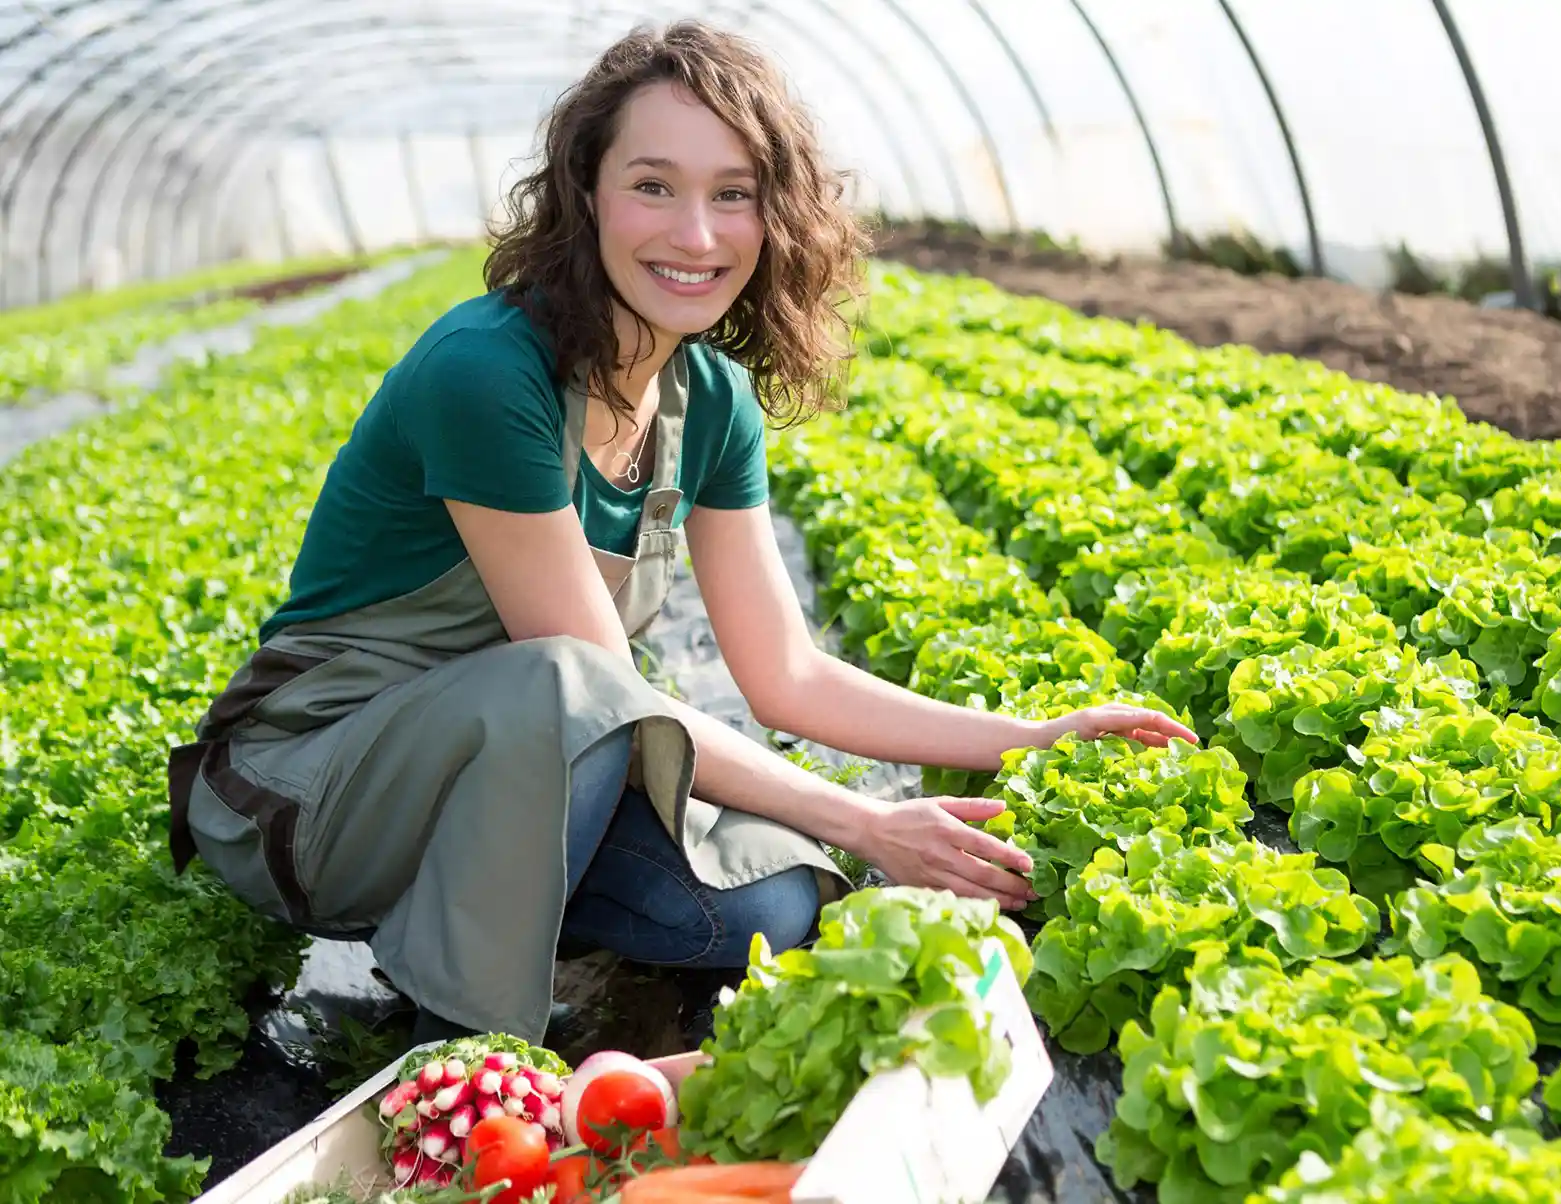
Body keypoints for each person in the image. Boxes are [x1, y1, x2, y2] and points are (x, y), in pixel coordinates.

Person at [166, 20, 1194, 1047]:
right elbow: (592, 691)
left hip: (517, 776)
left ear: (774, 216)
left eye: (733, 193)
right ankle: (467, 1048)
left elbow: (787, 674)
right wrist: (869, 823)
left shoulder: (710, 397)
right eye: (653, 185)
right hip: (313, 792)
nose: (696, 236)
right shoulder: (488, 371)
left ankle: (477, 915)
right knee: (568, 682)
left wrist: (1026, 739)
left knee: (767, 908)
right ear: (586, 196)